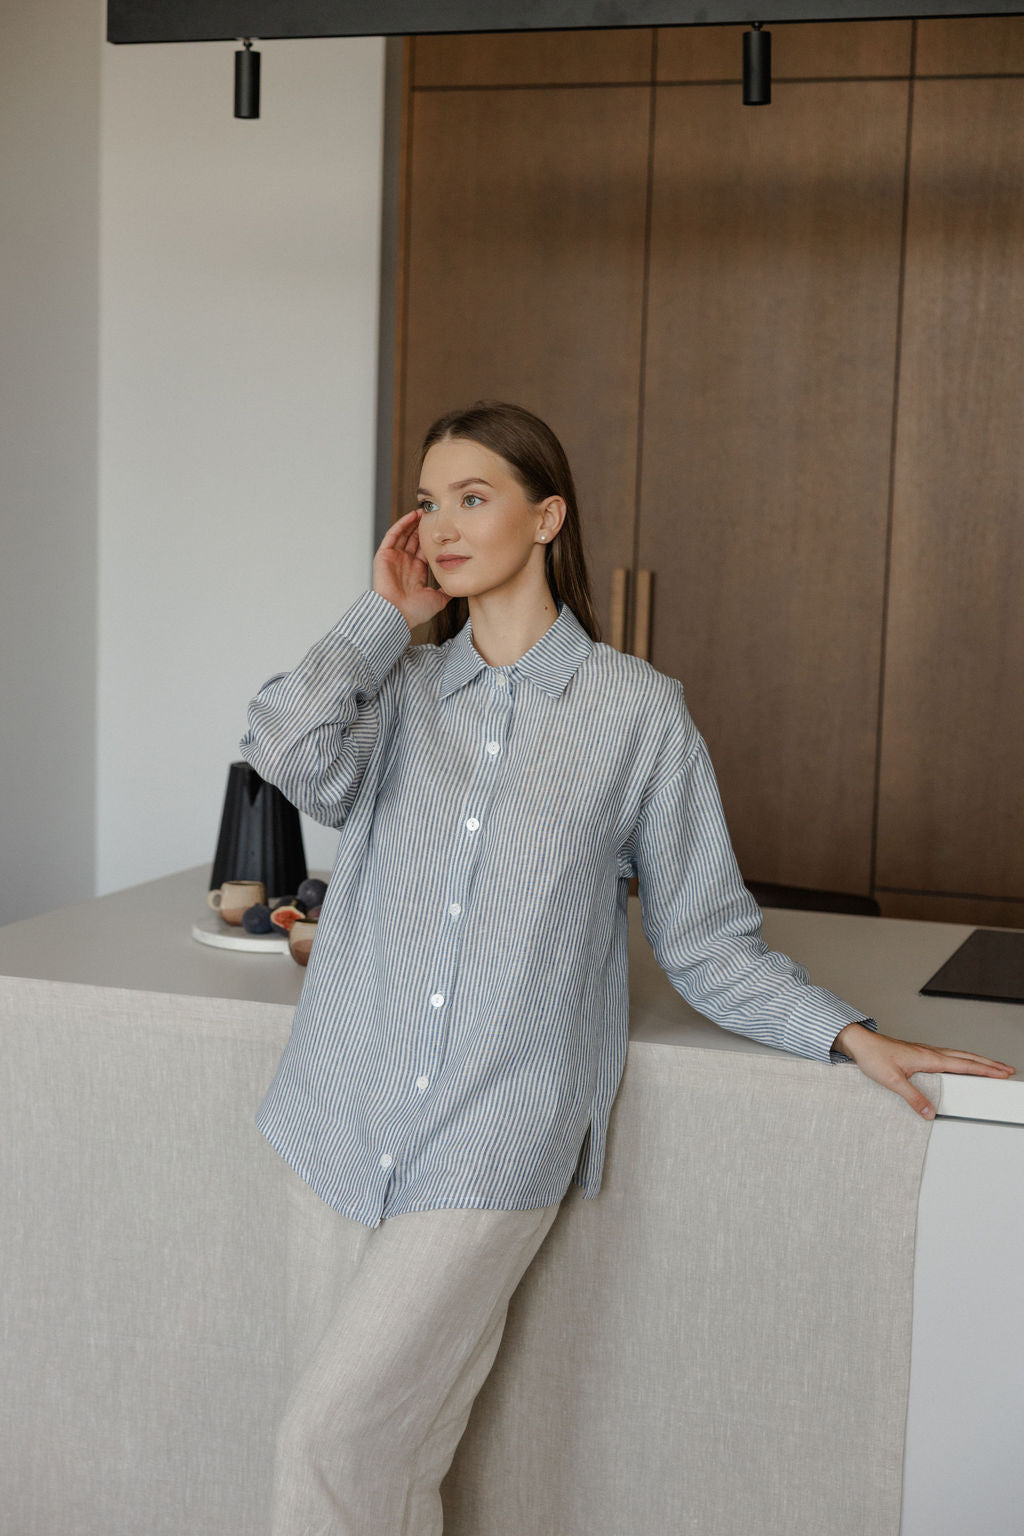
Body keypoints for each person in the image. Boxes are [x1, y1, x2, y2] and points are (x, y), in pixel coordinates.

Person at [239, 399, 1014, 1536]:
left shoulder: (638, 717)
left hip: (493, 1136)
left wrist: (846, 1032)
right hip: (336, 1114)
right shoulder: (397, 693)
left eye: (472, 497)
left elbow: (703, 935)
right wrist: (380, 617)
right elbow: (281, 749)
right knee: (381, 1460)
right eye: (425, 502)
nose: (441, 525)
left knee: (329, 1441)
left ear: (547, 515)